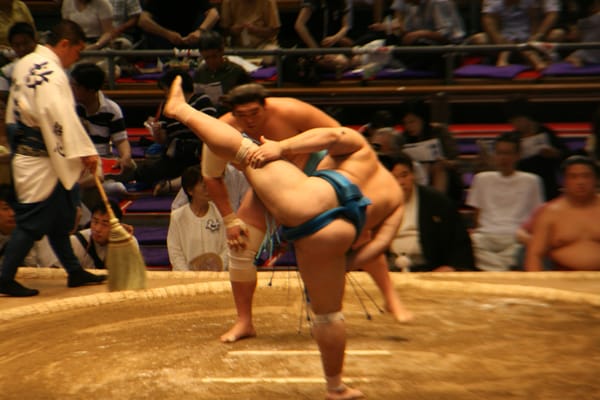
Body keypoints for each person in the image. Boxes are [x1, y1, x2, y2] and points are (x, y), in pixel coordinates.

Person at [164, 75, 407, 399]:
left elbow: (331, 134)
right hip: (337, 235)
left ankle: (181, 109)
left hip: (308, 200)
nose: (249, 120)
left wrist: (281, 148)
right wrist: (346, 263)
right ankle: (335, 386)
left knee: (247, 151)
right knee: (327, 315)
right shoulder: (397, 199)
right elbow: (379, 243)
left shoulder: (356, 146)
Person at [201, 83, 410, 345]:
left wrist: (291, 149)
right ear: (232, 113)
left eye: (254, 112)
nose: (250, 120)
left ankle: (391, 298)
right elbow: (211, 176)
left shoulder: (290, 109)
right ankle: (245, 322)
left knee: (357, 235)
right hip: (270, 188)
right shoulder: (223, 130)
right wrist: (230, 220)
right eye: (242, 115)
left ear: (265, 106)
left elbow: (336, 134)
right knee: (240, 245)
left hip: (318, 174)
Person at [0, 20, 107, 297]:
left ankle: (74, 272)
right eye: (77, 51)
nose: (77, 58)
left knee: (60, 216)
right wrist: (84, 150)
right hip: (39, 158)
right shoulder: (53, 73)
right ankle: (4, 276)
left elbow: (13, 114)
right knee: (32, 220)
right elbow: (60, 115)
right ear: (64, 44)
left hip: (39, 151)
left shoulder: (26, 62)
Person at [110, 69, 216, 195]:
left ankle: (171, 185)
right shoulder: (168, 105)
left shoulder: (202, 100)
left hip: (198, 154)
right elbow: (163, 140)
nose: (166, 94)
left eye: (167, 90)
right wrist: (158, 133)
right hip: (175, 156)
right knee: (147, 170)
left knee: (198, 168)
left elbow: (209, 131)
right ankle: (115, 180)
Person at [382, 152, 476, 272]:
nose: (400, 182)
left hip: (429, 268)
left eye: (404, 175)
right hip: (389, 268)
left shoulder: (436, 201)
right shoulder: (379, 203)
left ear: (413, 175)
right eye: (393, 177)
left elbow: (459, 241)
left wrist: (451, 266)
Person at [466, 132, 544, 271]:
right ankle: (503, 269)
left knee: (526, 248)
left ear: (518, 155)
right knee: (467, 244)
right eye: (500, 153)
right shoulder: (481, 179)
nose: (503, 158)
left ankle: (493, 268)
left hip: (515, 237)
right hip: (486, 235)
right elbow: (477, 214)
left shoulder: (531, 180)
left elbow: (536, 215)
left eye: (508, 153)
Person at [525, 155, 600, 271]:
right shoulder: (550, 213)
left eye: (586, 176)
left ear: (596, 180)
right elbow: (534, 255)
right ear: (564, 181)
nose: (581, 182)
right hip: (563, 279)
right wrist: (538, 286)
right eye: (573, 177)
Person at [36, 200, 137, 269]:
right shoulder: (76, 242)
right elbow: (57, 272)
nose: (97, 229)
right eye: (95, 221)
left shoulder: (128, 242)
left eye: (105, 224)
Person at [400, 99, 464, 205]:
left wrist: (446, 163)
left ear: (423, 120)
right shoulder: (403, 138)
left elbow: (457, 162)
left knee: (438, 167)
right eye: (405, 123)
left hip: (447, 181)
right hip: (416, 175)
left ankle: (435, 205)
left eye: (412, 122)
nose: (408, 127)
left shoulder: (440, 132)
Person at [505, 96, 570, 200]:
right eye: (512, 122)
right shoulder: (513, 138)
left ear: (527, 118)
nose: (515, 125)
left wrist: (555, 153)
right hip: (520, 190)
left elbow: (567, 156)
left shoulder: (546, 133)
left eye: (517, 121)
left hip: (546, 187)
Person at [167, 165, 228, 271]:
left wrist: (217, 269)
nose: (208, 190)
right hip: (186, 279)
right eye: (204, 186)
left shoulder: (221, 214)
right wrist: (188, 275)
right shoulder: (177, 217)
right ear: (190, 191)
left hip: (217, 276)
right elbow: (175, 252)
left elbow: (227, 248)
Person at [470, 0, 555, 70]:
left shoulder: (529, 2)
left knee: (524, 44)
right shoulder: (494, 2)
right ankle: (502, 60)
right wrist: (499, 40)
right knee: (507, 42)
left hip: (525, 33)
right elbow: (490, 23)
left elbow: (534, 20)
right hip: (504, 34)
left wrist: (533, 37)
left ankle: (536, 62)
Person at [192, 30, 251, 114]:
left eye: (214, 56)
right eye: (207, 58)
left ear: (222, 51)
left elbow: (250, 98)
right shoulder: (200, 73)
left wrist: (232, 99)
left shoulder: (237, 71)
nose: (211, 61)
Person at [0, 22, 37, 149]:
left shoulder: (48, 66)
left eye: (25, 43)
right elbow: (3, 102)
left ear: (35, 41)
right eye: (17, 45)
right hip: (18, 121)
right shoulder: (6, 71)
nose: (22, 48)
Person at [294, 0, 354, 72]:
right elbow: (299, 25)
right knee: (342, 62)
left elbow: (345, 26)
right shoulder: (312, 2)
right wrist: (316, 50)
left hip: (331, 46)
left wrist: (335, 38)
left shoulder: (340, 2)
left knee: (357, 57)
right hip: (312, 47)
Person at [219, 0, 281, 66]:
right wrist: (233, 30)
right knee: (221, 55)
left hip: (263, 46)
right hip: (236, 47)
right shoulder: (228, 1)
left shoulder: (268, 1)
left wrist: (256, 30)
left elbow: (275, 30)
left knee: (271, 55)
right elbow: (224, 30)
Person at [137, 0, 219, 49]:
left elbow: (214, 14)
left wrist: (200, 31)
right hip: (165, 41)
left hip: (193, 39)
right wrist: (167, 34)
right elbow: (143, 20)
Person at [564, 0, 600, 66]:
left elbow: (576, 39)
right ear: (593, 6)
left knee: (575, 56)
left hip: (587, 53)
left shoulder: (580, 22)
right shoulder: (581, 22)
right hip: (588, 53)